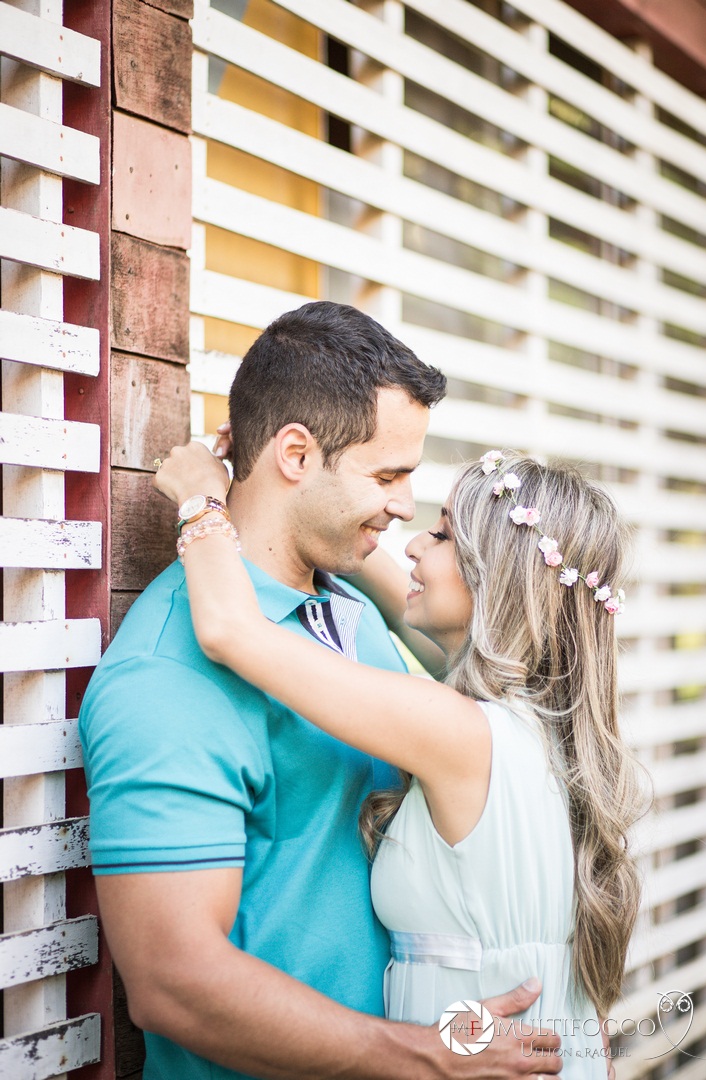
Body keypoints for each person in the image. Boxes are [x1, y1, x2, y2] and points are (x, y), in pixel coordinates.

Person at [79, 301, 562, 1080]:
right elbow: (174, 986)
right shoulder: (164, 677)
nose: (407, 506)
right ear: (296, 454)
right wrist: (420, 1056)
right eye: (388, 475)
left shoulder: (353, 613)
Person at [153, 437, 646, 1077]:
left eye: (441, 536)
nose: (410, 543)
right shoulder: (547, 728)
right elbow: (386, 579)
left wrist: (202, 498)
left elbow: (230, 630)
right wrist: (309, 504)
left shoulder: (458, 732)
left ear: (496, 577)